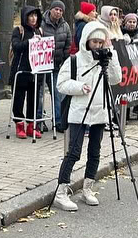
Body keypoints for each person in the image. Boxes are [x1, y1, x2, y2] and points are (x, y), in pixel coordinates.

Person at [52, 20, 121, 211]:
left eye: (101, 42)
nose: (97, 46)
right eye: (94, 42)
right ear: (86, 41)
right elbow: (61, 84)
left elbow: (117, 79)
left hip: (100, 110)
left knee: (95, 151)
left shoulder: (105, 59)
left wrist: (111, 54)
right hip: (79, 111)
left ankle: (87, 188)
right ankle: (61, 190)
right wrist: (79, 87)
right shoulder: (74, 60)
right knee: (74, 151)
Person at [10, 6, 44, 139]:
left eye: (35, 16)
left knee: (33, 100)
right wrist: (30, 42)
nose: (33, 18)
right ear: (25, 17)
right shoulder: (19, 30)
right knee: (18, 99)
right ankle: (19, 124)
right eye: (31, 16)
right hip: (20, 71)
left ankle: (31, 125)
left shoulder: (39, 31)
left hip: (35, 72)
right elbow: (16, 46)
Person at [41, 0, 71, 131]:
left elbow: (67, 45)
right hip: (42, 65)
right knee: (40, 94)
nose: (58, 12)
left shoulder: (65, 26)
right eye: (56, 9)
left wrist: (64, 62)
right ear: (51, 10)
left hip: (57, 65)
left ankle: (58, 121)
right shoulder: (41, 23)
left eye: (60, 10)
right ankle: (39, 120)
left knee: (57, 94)